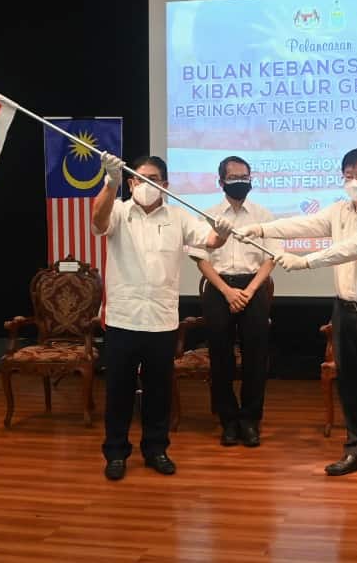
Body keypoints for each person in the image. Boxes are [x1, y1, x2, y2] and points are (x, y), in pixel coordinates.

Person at [238, 148, 357, 483]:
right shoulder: (339, 210)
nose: (354, 182)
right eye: (348, 175)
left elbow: (354, 247)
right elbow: (305, 224)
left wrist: (305, 261)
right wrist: (260, 229)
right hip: (345, 310)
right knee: (351, 383)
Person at [93, 154, 233, 481]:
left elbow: (210, 240)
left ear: (166, 185)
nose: (145, 184)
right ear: (130, 182)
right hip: (123, 318)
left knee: (159, 391)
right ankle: (116, 452)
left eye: (153, 178)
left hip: (161, 320)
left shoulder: (179, 218)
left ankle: (156, 448)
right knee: (118, 391)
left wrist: (223, 233)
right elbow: (98, 222)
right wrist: (110, 182)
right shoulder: (118, 211)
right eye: (139, 178)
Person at [187, 156, 279, 448]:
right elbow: (200, 258)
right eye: (234, 177)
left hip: (253, 287)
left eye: (245, 176)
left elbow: (270, 258)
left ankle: (250, 420)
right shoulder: (208, 214)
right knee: (221, 358)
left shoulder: (263, 214)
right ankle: (228, 421)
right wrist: (227, 291)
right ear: (221, 181)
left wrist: (249, 292)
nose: (241, 182)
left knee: (255, 358)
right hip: (218, 288)